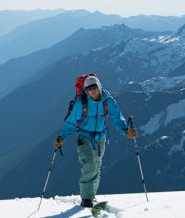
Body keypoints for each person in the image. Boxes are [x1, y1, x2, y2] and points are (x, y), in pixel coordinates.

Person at [53, 75, 137, 207]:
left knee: (97, 167)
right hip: (83, 137)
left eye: (94, 87)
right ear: (86, 91)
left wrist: (126, 132)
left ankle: (91, 195)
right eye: (89, 89)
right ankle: (86, 199)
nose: (92, 91)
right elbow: (71, 122)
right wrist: (61, 138)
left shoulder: (108, 101)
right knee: (90, 164)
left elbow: (117, 118)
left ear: (99, 87)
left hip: (100, 138)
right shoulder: (81, 104)